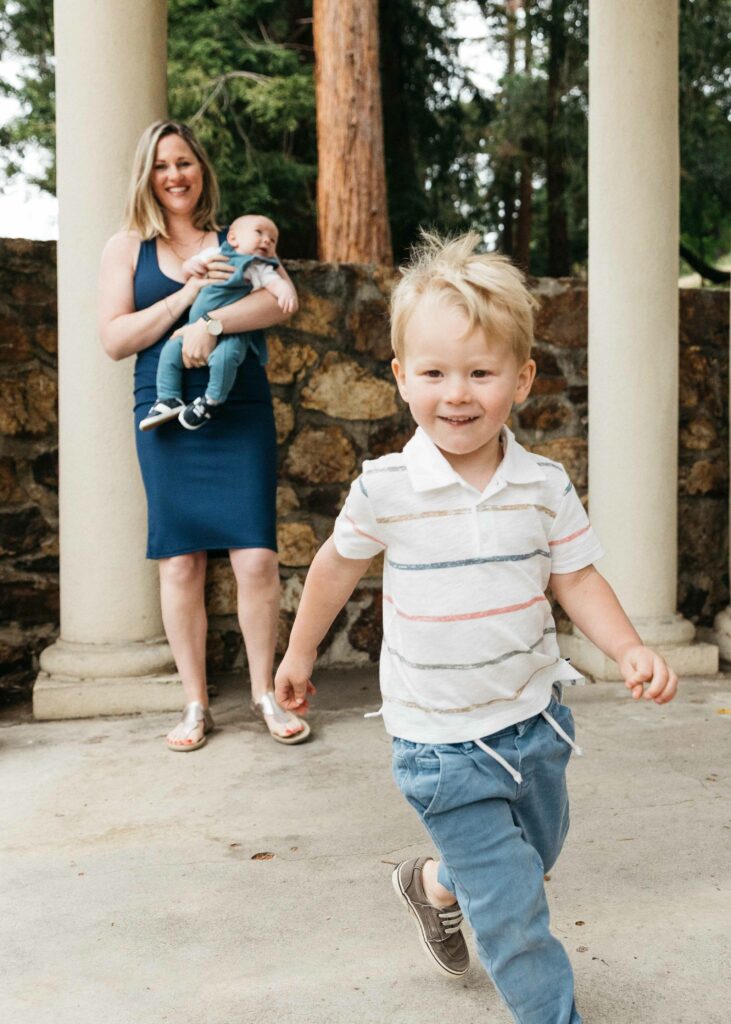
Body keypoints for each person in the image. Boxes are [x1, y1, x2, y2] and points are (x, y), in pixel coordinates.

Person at [274, 233, 678, 1022]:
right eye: (432, 373)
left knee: (532, 857)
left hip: (533, 724)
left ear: (521, 380)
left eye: (479, 373)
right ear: (399, 377)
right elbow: (332, 568)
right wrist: (296, 653)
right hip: (438, 745)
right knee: (514, 910)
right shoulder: (387, 487)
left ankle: (430, 884)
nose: (454, 394)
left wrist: (626, 646)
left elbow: (574, 577)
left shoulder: (542, 483)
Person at [98, 119, 310, 750]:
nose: (175, 176)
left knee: (256, 555)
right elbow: (115, 339)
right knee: (181, 561)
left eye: (184, 163)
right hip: (161, 406)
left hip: (236, 405)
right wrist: (184, 298)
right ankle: (195, 705)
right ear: (148, 175)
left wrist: (211, 323)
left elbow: (280, 298)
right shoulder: (126, 248)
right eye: (162, 165)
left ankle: (265, 696)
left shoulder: (237, 237)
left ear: (201, 169)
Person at [140, 213, 297, 431]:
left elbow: (277, 288)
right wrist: (190, 269)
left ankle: (211, 400)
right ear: (233, 239)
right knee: (170, 352)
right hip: (192, 328)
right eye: (259, 232)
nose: (267, 240)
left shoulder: (259, 268)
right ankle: (168, 398)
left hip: (234, 331)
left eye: (272, 239)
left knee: (226, 358)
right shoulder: (215, 254)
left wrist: (286, 292)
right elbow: (191, 266)